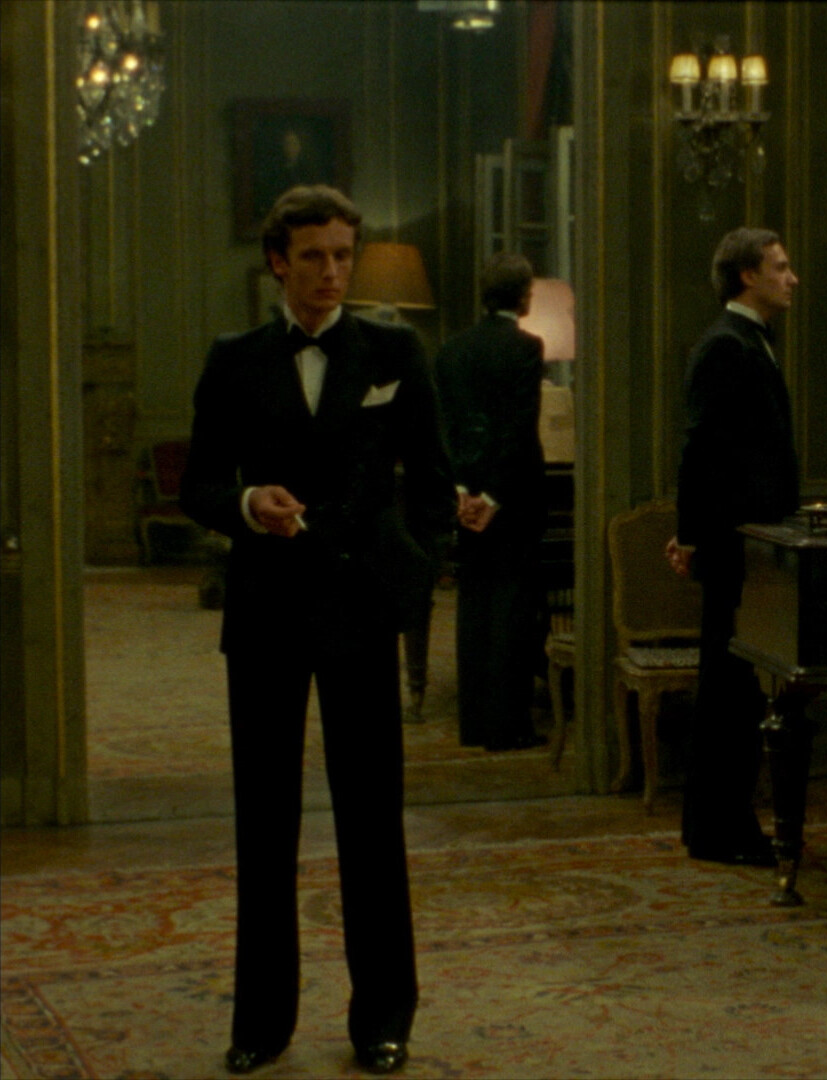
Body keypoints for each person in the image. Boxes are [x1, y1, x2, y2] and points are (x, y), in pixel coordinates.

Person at [179, 185, 456, 1076]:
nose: (332, 272)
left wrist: (411, 574)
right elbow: (197, 486)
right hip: (265, 611)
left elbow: (434, 482)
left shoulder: (393, 352)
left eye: (343, 254)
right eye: (314, 256)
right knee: (264, 823)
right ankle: (261, 1025)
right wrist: (245, 503)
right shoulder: (235, 360)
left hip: (360, 610)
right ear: (278, 262)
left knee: (371, 821)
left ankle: (384, 1018)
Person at [665, 227, 801, 866]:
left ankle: (719, 827)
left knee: (738, 690)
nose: (792, 278)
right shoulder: (726, 345)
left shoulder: (750, 342)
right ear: (748, 276)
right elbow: (701, 451)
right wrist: (692, 535)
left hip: (750, 541)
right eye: (780, 267)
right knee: (729, 692)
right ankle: (721, 831)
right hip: (735, 545)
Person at [434, 252, 549, 751]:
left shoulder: (451, 350)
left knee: (475, 607)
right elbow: (518, 428)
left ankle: (476, 723)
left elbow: (447, 428)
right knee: (514, 612)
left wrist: (465, 492)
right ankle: (509, 727)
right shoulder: (526, 347)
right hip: (514, 499)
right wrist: (495, 497)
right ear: (524, 295)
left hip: (466, 498)